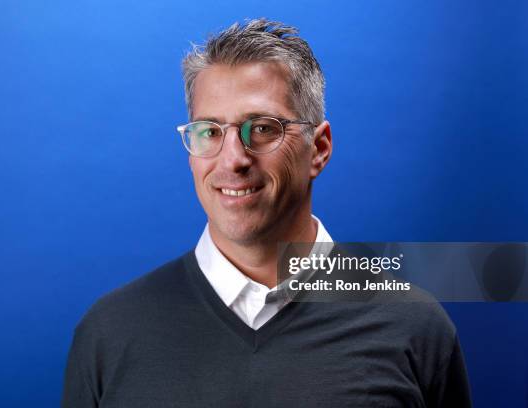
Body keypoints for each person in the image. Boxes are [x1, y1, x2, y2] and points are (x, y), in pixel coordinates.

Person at [62, 19, 472, 407]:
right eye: (209, 131)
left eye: (262, 128)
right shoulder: (109, 333)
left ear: (320, 149)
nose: (234, 160)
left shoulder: (414, 328)